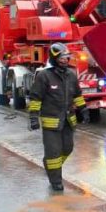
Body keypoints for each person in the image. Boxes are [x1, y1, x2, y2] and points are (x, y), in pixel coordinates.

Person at [28, 43, 89, 191]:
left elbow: (77, 95)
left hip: (68, 121)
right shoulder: (44, 76)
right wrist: (34, 118)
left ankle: (50, 165)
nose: (65, 60)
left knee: (68, 148)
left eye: (66, 57)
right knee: (54, 152)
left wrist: (83, 109)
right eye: (61, 57)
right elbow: (35, 99)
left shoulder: (71, 75)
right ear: (54, 58)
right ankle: (55, 180)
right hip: (51, 123)